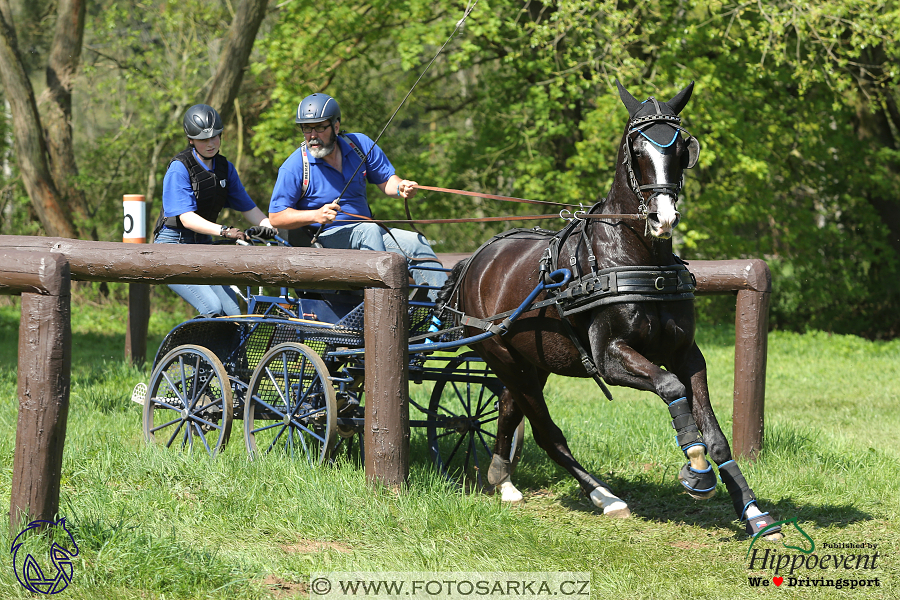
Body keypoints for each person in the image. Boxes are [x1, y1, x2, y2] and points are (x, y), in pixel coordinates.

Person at [267, 93, 447, 301]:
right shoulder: (295, 166)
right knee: (368, 231)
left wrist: (401, 187)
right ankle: (387, 309)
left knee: (415, 241)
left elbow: (387, 180)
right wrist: (316, 215)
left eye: (320, 127)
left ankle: (441, 316)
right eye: (307, 128)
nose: (312, 135)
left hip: (369, 235)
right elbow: (276, 216)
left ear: (336, 126)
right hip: (325, 241)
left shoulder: (359, 145)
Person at [154, 103, 277, 316]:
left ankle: (225, 351)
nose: (211, 143)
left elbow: (248, 207)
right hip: (173, 248)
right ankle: (194, 350)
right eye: (203, 139)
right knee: (212, 307)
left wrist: (270, 228)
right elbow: (187, 219)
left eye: (215, 137)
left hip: (203, 246)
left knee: (233, 312)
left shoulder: (225, 168)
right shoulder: (179, 168)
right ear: (191, 139)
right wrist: (223, 231)